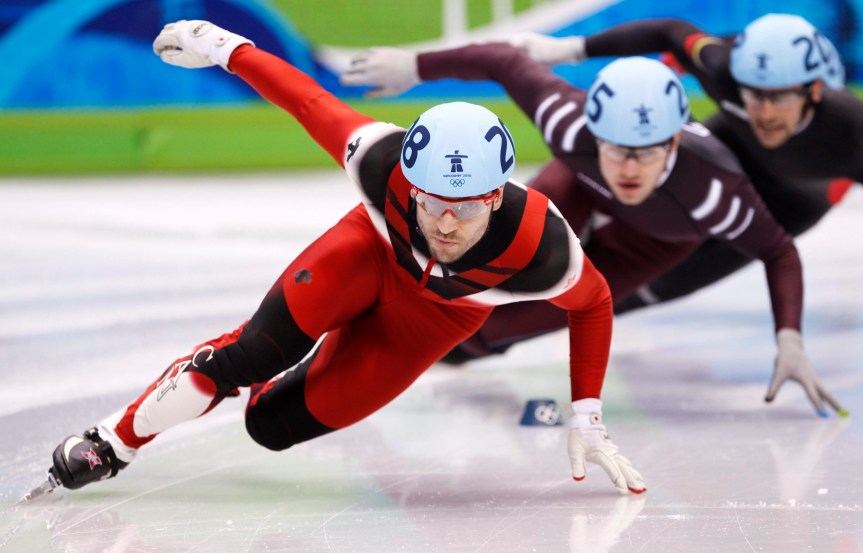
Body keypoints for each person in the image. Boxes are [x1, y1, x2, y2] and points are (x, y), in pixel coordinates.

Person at [32, 19, 646, 501]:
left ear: (496, 196)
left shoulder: (543, 248)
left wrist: (587, 412)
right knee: (250, 355)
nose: (446, 224)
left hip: (436, 320)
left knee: (269, 426)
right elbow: (307, 101)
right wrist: (224, 46)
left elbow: (593, 304)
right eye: (431, 202)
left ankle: (265, 374)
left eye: (466, 207)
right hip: (366, 254)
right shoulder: (380, 161)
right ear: (409, 179)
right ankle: (113, 440)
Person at [339, 40, 846, 416]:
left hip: (657, 238)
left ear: (673, 145)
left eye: (644, 153)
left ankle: (449, 349)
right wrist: (415, 66)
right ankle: (379, 303)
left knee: (519, 317)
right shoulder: (570, 124)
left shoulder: (716, 195)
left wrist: (790, 338)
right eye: (615, 147)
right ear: (593, 132)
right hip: (581, 179)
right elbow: (505, 62)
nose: (627, 168)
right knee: (494, 259)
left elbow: (778, 251)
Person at [498, 15, 862, 324]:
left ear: (815, 92)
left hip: (796, 198)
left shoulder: (850, 131)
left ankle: (489, 337)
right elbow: (670, 31)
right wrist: (567, 50)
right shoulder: (723, 69)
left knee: (658, 283)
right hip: (731, 150)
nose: (764, 113)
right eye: (753, 93)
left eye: (780, 97)